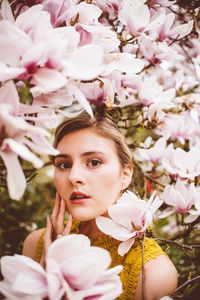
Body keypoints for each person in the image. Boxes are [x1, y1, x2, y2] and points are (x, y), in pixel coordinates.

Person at [22, 114, 178, 300]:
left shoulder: (151, 273)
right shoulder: (37, 245)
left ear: (125, 175)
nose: (74, 177)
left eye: (94, 162)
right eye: (64, 164)